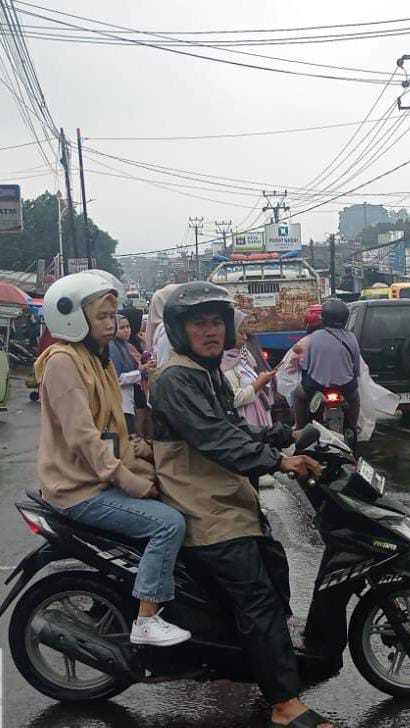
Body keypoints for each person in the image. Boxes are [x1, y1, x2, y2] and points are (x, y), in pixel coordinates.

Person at [148, 281, 329, 728]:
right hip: (202, 507)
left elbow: (231, 427)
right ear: (178, 328)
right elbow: (216, 439)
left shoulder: (206, 372)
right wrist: (280, 461)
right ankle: (285, 704)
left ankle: (258, 663)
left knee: (273, 572)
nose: (210, 331)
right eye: (198, 323)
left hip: (226, 498)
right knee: (258, 600)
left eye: (216, 322)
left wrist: (283, 434)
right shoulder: (176, 378)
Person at [33, 272, 191, 647]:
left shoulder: (97, 359)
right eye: (102, 316)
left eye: (112, 315)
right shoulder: (63, 363)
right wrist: (131, 481)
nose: (112, 323)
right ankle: (147, 619)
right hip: (78, 489)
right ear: (74, 318)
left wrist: (158, 453)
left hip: (98, 479)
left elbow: (114, 432)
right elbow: (85, 438)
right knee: (168, 524)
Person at [290, 298, 360, 434]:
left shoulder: (312, 338)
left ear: (324, 317)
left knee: (298, 395)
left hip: (316, 386)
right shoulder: (351, 337)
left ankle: (300, 428)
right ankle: (353, 427)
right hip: (345, 386)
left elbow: (305, 365)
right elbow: (356, 366)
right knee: (355, 398)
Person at [223, 309, 278, 436]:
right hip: (246, 426)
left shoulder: (242, 354)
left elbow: (255, 367)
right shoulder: (224, 363)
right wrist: (258, 384)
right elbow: (233, 400)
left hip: (258, 419)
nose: (245, 337)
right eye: (241, 332)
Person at [109, 313, 155, 435]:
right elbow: (117, 378)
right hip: (120, 402)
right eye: (122, 328)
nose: (126, 331)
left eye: (128, 327)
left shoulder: (126, 346)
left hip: (128, 401)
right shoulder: (112, 347)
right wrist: (141, 372)